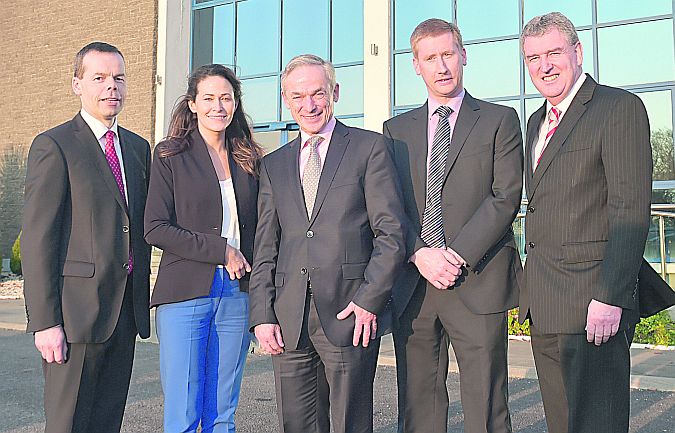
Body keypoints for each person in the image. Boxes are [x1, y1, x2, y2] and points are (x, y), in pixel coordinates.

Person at [249, 54, 406, 433]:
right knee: (297, 425)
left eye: (318, 93)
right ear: (286, 100)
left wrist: (369, 300)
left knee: (351, 424)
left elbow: (392, 234)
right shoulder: (274, 164)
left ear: (334, 92)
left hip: (349, 313)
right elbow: (266, 246)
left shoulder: (369, 148)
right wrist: (261, 314)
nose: (309, 105)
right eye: (298, 96)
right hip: (289, 317)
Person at [383, 19, 523, 433]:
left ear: (464, 55)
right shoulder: (396, 132)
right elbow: (388, 208)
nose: (441, 66)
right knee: (419, 405)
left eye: (448, 54)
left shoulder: (500, 120)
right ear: (416, 65)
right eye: (431, 58)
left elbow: (505, 196)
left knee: (485, 405)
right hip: (415, 286)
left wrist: (455, 255)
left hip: (477, 281)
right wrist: (419, 252)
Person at [519, 12, 652, 433]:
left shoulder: (618, 108)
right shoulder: (536, 122)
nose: (545, 66)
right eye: (534, 58)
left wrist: (610, 296)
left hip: (592, 305)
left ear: (577, 52)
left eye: (554, 52)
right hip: (545, 303)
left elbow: (630, 209)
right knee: (562, 424)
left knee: (598, 423)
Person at [22, 42, 152, 433]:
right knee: (68, 424)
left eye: (119, 78)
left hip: (124, 315)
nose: (111, 86)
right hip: (74, 318)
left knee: (106, 423)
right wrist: (45, 322)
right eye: (99, 78)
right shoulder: (55, 145)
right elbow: (38, 238)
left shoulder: (137, 148)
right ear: (77, 84)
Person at [144, 64, 261, 433]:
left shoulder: (250, 158)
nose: (218, 106)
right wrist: (220, 250)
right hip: (185, 293)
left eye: (226, 97)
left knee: (222, 410)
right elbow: (155, 227)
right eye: (208, 98)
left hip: (237, 294)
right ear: (193, 104)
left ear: (236, 103)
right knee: (183, 409)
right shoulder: (170, 155)